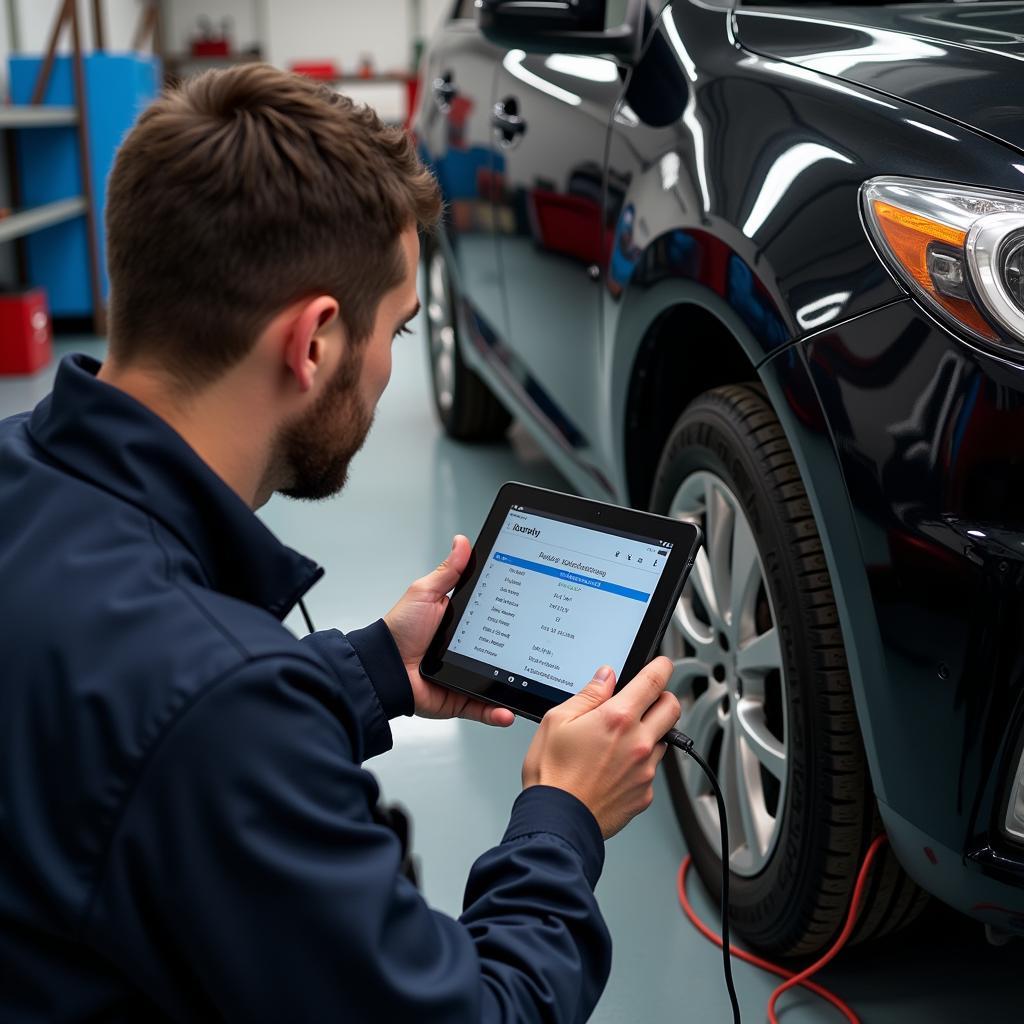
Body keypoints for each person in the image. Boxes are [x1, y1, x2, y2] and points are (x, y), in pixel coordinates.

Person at [0, 65, 680, 1023]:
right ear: (314, 340)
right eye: (396, 329)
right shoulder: (226, 713)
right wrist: (563, 818)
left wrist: (373, 668)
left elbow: (125, 713)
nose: (392, 364)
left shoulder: (23, 475)